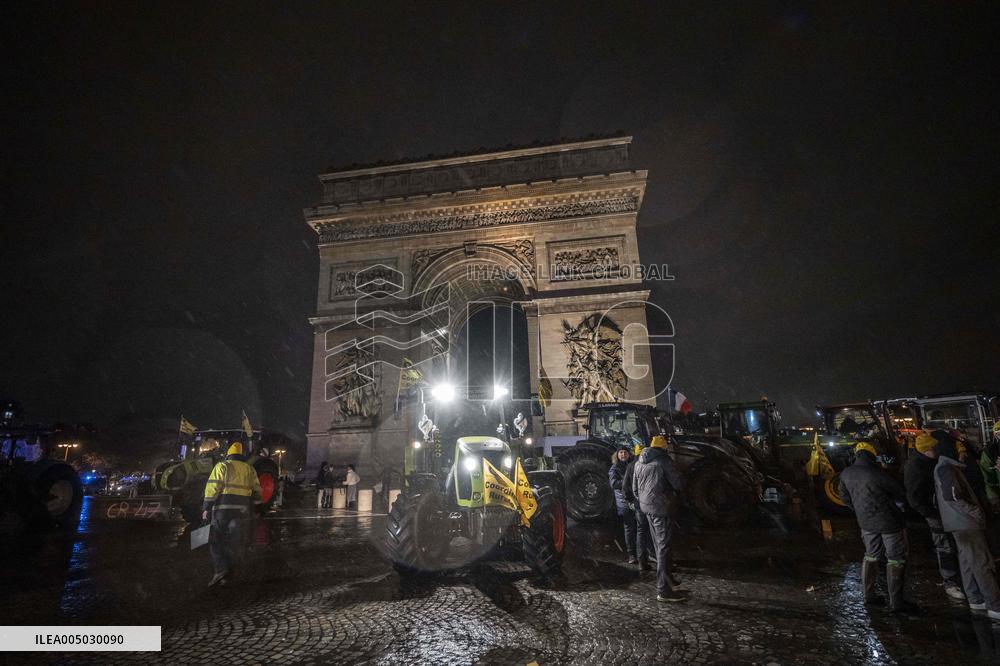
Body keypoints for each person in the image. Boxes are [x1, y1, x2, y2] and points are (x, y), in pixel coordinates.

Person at [838, 442, 919, 614]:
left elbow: (844, 498)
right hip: (889, 522)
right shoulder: (877, 473)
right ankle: (896, 602)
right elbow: (899, 492)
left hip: (866, 522)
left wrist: (860, 510)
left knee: (871, 555)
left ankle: (869, 595)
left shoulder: (846, 473)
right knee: (896, 559)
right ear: (871, 455)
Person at [934, 437, 1000, 620]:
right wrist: (975, 511)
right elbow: (952, 496)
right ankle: (995, 605)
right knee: (982, 563)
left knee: (967, 562)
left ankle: (975, 598)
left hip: (958, 524)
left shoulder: (944, 467)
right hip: (966, 524)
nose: (963, 454)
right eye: (960, 450)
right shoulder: (947, 469)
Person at [905, 431, 965, 600]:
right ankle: (950, 582)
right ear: (926, 450)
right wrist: (931, 514)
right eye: (933, 449)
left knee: (952, 544)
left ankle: (958, 576)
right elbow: (915, 498)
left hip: (942, 510)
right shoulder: (916, 468)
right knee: (944, 546)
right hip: (935, 514)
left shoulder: (929, 461)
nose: (937, 451)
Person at [631, 435, 686, 602]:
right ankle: (663, 590)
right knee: (663, 547)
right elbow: (678, 484)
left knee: (659, 546)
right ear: (664, 448)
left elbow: (635, 489)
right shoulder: (664, 461)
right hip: (662, 509)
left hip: (647, 508)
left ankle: (668, 580)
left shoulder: (639, 461)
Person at [202, 441, 262, 587]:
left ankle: (221, 569)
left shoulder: (222, 466)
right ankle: (232, 570)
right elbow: (257, 490)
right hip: (242, 511)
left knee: (216, 540)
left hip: (222, 511)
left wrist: (206, 508)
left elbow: (212, 488)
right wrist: (257, 507)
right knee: (235, 540)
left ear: (228, 454)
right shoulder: (249, 469)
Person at [608, 446, 638, 563]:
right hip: (624, 502)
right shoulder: (614, 468)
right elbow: (614, 484)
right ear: (617, 455)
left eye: (625, 452)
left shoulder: (632, 464)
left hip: (635, 500)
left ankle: (643, 553)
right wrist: (628, 481)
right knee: (629, 528)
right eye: (620, 452)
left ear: (629, 454)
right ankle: (632, 554)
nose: (623, 454)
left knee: (640, 527)